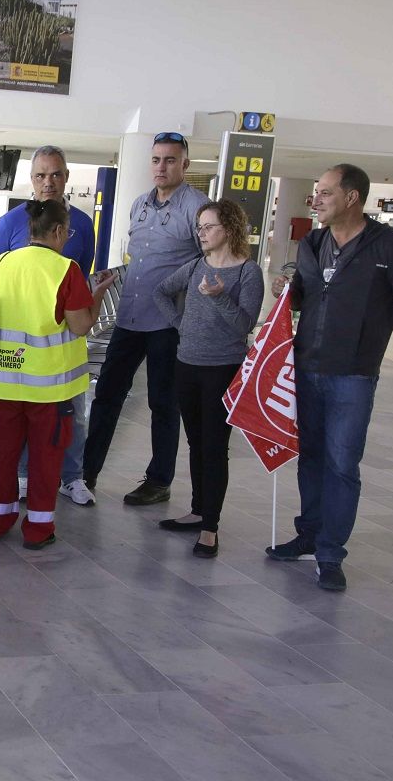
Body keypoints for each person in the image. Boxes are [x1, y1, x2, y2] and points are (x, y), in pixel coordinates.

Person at [266, 164, 393, 590]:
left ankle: (331, 553)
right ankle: (308, 535)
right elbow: (304, 292)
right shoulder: (314, 242)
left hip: (353, 375)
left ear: (352, 197)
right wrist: (288, 288)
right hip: (307, 365)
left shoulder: (388, 246)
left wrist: (372, 327)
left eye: (324, 192)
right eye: (315, 192)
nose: (315, 199)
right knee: (311, 457)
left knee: (341, 464)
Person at [83, 132, 210, 505]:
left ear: (184, 165)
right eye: (156, 160)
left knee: (163, 401)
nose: (161, 167)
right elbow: (135, 257)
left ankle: (159, 480)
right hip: (129, 316)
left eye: (170, 160)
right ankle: (85, 472)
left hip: (168, 322)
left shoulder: (198, 207)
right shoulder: (139, 204)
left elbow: (206, 262)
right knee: (106, 394)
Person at [0, 200, 115, 547]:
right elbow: (81, 325)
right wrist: (97, 294)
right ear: (57, 232)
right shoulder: (64, 270)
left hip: (2, 381)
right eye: (67, 233)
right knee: (44, 459)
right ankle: (38, 529)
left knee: (3, 455)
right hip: (49, 389)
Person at [0, 145, 98, 507]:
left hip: (63, 349)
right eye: (40, 175)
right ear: (31, 179)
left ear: (66, 177)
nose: (48, 182)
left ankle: (72, 477)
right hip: (20, 352)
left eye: (55, 174)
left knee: (72, 416)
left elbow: (82, 276)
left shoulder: (81, 224)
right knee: (20, 417)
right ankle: (22, 476)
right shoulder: (10, 223)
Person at [152, 200, 264, 557]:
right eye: (199, 227)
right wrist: (180, 323)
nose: (201, 233)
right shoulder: (197, 265)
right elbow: (160, 292)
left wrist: (217, 298)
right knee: (196, 443)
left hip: (223, 369)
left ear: (229, 229)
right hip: (187, 364)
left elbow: (243, 325)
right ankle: (199, 510)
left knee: (215, 448)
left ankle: (210, 528)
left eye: (209, 227)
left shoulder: (248, 272)